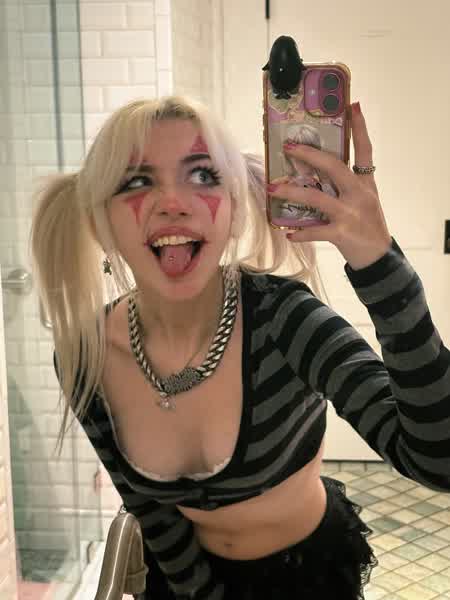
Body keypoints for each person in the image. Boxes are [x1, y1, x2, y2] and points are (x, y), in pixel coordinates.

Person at [30, 96, 450, 600]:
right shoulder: (86, 357)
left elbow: (438, 460)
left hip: (308, 578)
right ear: (101, 225)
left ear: (233, 213)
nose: (173, 202)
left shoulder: (286, 321)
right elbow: (151, 512)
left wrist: (379, 266)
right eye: (136, 181)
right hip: (184, 580)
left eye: (203, 175)